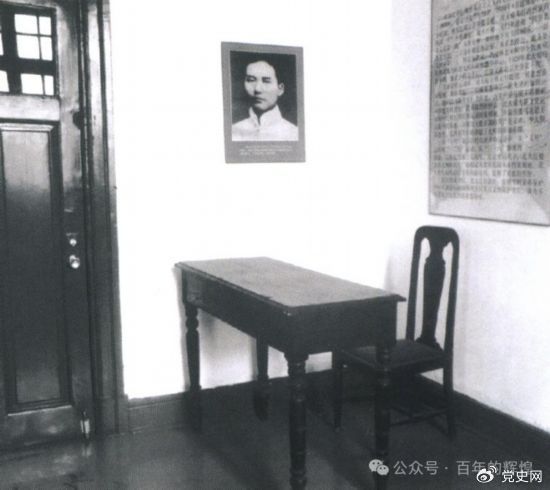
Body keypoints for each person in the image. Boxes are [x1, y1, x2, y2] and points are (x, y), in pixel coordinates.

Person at [232, 59, 298, 142]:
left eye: (266, 81)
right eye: (251, 80)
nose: (257, 89)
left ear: (280, 89)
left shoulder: (294, 134)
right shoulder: (233, 131)